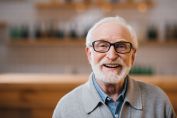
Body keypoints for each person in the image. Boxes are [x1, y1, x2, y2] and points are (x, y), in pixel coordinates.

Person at [52, 16, 176, 118]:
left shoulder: (158, 101)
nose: (111, 56)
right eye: (102, 45)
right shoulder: (66, 108)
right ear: (89, 54)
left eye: (121, 46)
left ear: (132, 56)